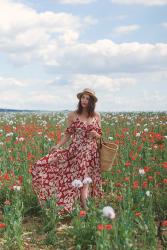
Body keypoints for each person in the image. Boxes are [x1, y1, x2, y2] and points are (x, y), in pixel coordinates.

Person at [31, 88, 103, 215]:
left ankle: (85, 207)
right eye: (83, 97)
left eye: (87, 98)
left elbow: (100, 136)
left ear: (91, 101)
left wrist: (95, 134)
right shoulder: (72, 115)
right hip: (76, 152)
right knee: (76, 179)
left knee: (86, 180)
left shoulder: (96, 116)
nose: (84, 100)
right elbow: (68, 134)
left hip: (91, 153)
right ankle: (84, 208)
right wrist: (57, 145)